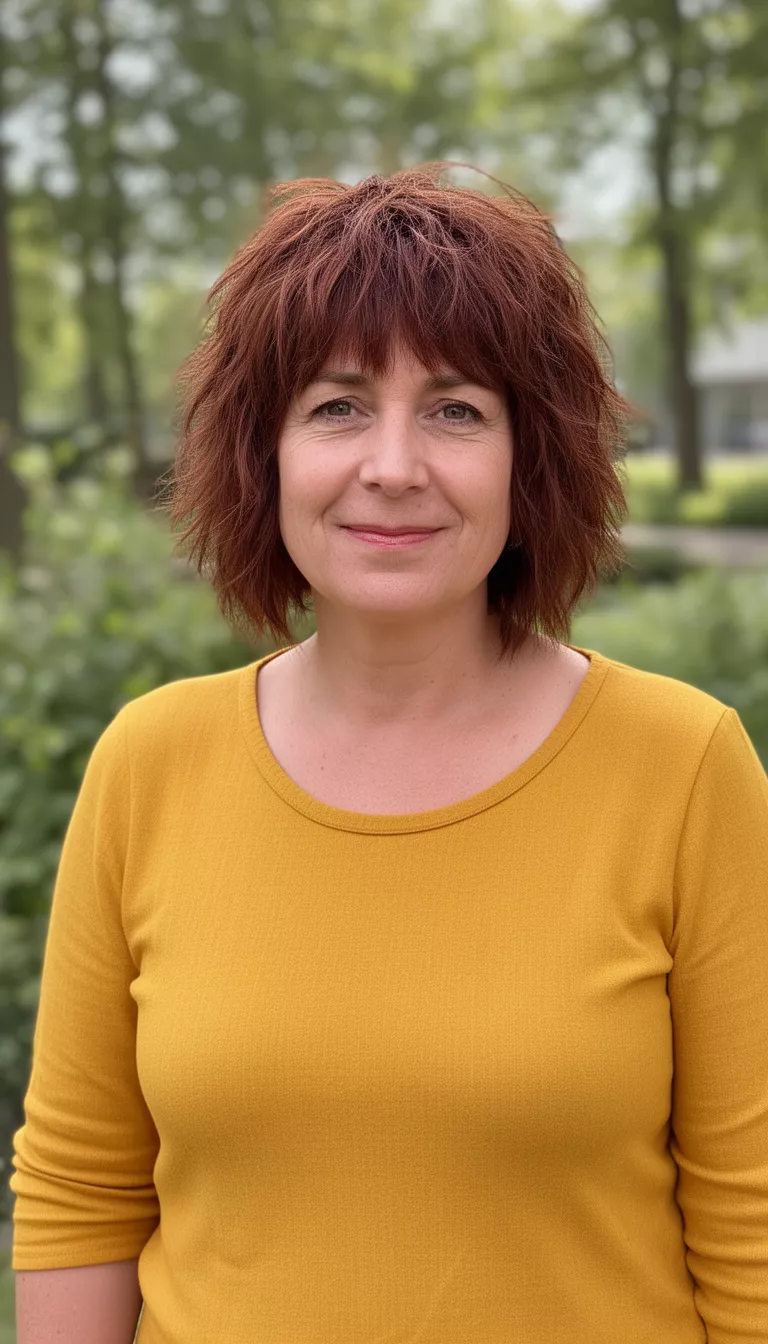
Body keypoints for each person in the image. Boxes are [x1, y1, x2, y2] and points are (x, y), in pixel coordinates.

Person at [9, 167, 768, 1344]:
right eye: (338, 406)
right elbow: (80, 1193)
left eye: (458, 409)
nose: (396, 465)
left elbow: (752, 1226)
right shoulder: (148, 766)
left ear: (533, 453)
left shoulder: (683, 769)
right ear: (265, 452)